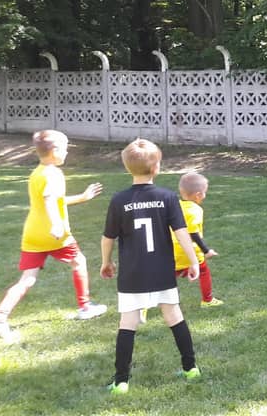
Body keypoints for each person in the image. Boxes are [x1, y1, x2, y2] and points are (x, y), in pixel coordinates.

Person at [0, 130, 107, 343]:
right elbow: (49, 199)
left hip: (33, 234)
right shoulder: (54, 174)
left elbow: (55, 199)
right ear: (54, 150)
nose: (66, 153)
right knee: (79, 261)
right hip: (54, 235)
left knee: (27, 279)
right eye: (65, 149)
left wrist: (82, 197)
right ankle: (85, 306)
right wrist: (57, 224)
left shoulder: (37, 173)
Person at [101, 139, 202, 395]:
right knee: (174, 316)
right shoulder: (167, 197)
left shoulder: (119, 200)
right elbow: (182, 233)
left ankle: (121, 382)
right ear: (157, 168)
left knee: (128, 322)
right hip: (161, 271)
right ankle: (191, 368)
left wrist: (106, 261)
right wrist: (193, 261)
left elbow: (108, 237)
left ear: (127, 168)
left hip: (132, 273)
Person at [172, 172, 223, 307]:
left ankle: (168, 302)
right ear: (198, 195)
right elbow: (193, 233)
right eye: (204, 193)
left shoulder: (176, 206)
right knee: (204, 271)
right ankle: (207, 300)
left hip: (173, 251)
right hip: (192, 252)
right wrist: (206, 250)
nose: (205, 195)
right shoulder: (195, 210)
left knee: (169, 278)